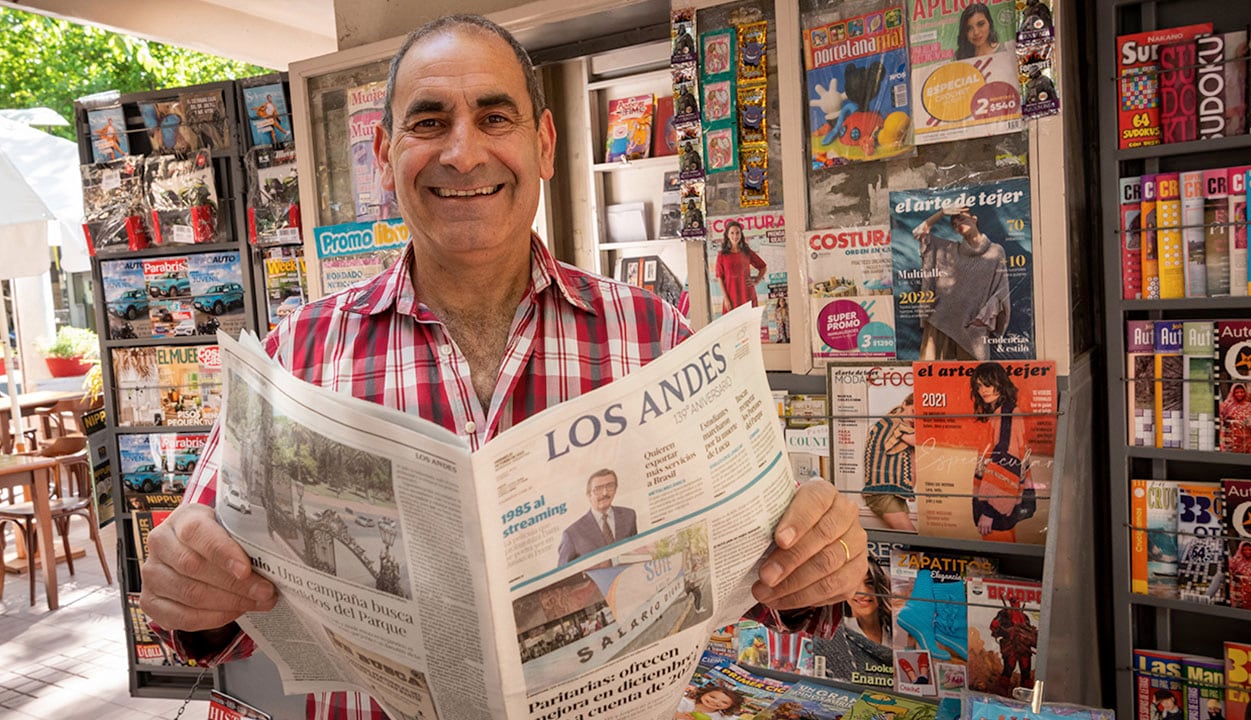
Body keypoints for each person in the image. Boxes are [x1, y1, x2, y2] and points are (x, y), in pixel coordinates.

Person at [139, 15, 867, 719]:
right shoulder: (295, 354)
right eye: (429, 122)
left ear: (543, 144)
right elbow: (199, 587)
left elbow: (784, 574)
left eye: (495, 118)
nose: (463, 153)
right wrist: (185, 586)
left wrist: (819, 561)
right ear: (384, 152)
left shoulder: (658, 336)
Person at [912, 205, 1011, 360]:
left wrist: (982, 319)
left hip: (972, 327)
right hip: (941, 321)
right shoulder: (949, 249)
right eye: (954, 224)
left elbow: (1001, 290)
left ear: (974, 219)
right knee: (932, 376)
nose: (957, 224)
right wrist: (942, 213)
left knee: (975, 377)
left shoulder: (996, 251)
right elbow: (919, 232)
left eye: (961, 219)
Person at [970, 362, 1033, 542]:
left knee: (997, 556)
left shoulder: (1006, 415)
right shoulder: (1004, 412)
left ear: (1001, 384)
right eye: (979, 386)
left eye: (988, 384)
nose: (983, 390)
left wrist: (990, 511)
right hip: (1005, 501)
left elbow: (1007, 460)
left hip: (997, 507)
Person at [813, 560, 893, 683]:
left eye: (870, 583)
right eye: (853, 584)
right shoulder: (832, 635)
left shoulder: (898, 633)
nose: (862, 593)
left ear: (881, 586)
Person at [557, 469, 637, 565]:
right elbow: (563, 575)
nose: (605, 493)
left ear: (616, 489)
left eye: (610, 486)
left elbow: (636, 553)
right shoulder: (572, 534)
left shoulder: (629, 515)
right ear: (589, 495)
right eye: (598, 489)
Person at [861, 395, 916, 531]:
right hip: (882, 493)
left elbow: (913, 479)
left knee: (908, 538)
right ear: (904, 404)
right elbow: (922, 441)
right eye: (914, 411)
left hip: (893, 494)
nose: (914, 419)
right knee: (910, 535)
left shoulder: (902, 433)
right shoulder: (891, 424)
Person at [716, 220, 768, 313]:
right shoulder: (722, 255)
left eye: (737, 233)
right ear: (727, 235)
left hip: (747, 295)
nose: (735, 236)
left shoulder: (747, 252)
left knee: (750, 324)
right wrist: (726, 298)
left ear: (741, 235)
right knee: (732, 325)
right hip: (731, 297)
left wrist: (756, 281)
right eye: (732, 233)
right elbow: (719, 277)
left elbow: (763, 267)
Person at [989, 598, 1037, 693]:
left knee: (1026, 671)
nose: (1016, 603)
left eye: (1017, 601)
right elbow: (993, 626)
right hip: (1010, 646)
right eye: (1014, 601)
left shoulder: (1025, 617)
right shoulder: (1003, 614)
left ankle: (1026, 695)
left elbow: (1029, 633)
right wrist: (1007, 632)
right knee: (1008, 670)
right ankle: (1001, 695)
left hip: (1024, 648)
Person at [1219, 383, 1251, 453]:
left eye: (1242, 392)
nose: (1239, 394)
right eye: (1237, 392)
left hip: (1246, 439)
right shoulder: (1227, 405)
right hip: (1232, 438)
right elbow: (1222, 420)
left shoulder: (1249, 406)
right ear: (1232, 393)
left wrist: (1246, 422)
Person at [675, 684, 744, 720]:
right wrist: (680, 715)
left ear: (730, 706)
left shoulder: (722, 717)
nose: (715, 702)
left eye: (724, 702)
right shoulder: (684, 703)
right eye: (712, 697)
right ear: (703, 693)